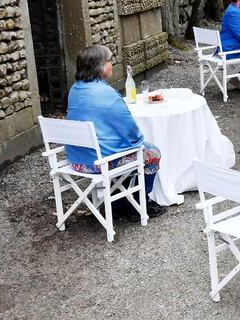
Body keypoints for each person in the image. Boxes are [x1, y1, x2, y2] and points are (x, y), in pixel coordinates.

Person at [65, 45, 166, 219]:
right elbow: (131, 132)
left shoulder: (75, 89)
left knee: (118, 148)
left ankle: (118, 202)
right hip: (99, 162)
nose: (112, 64)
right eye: (109, 60)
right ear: (99, 66)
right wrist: (139, 143)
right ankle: (139, 203)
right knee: (151, 152)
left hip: (77, 158)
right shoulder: (106, 93)